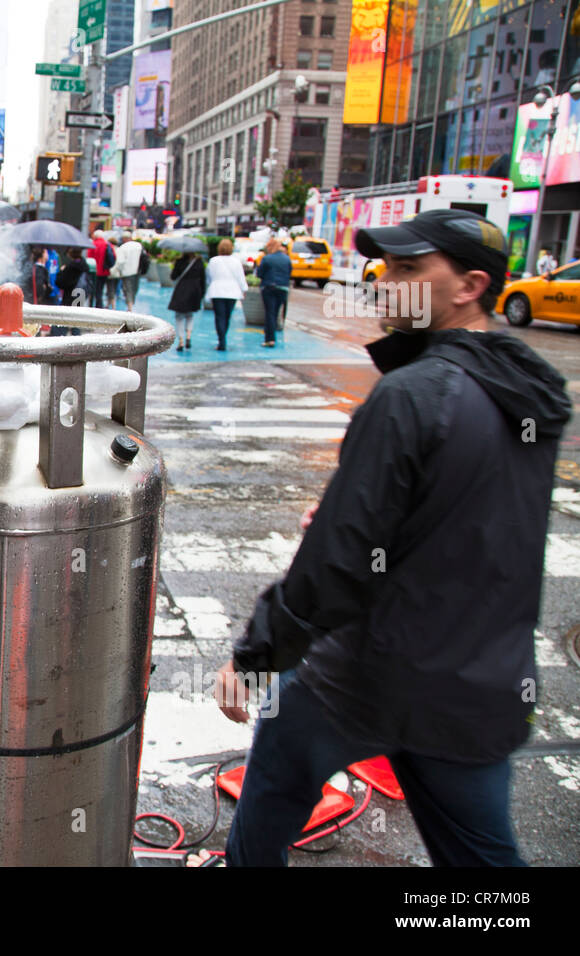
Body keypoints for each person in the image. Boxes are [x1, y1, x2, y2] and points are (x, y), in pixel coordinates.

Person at [215, 208, 572, 867]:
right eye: (386, 267)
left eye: (410, 269)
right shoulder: (530, 392)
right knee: (484, 859)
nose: (386, 282)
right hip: (479, 686)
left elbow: (334, 565)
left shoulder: (412, 394)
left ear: (469, 285)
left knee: (274, 787)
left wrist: (253, 659)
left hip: (368, 676)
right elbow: (476, 520)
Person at [206, 238, 247, 351]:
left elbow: (209, 276)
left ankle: (221, 339)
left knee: (219, 317)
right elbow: (240, 277)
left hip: (217, 291)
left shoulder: (213, 261)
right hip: (232, 292)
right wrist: (244, 289)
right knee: (227, 317)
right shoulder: (236, 261)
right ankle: (223, 338)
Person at [255, 237, 291, 347]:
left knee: (269, 312)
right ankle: (271, 334)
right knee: (275, 312)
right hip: (283, 288)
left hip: (269, 287)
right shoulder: (287, 259)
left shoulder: (267, 259)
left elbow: (259, 274)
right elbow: (289, 272)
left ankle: (270, 338)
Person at [167, 250, 205, 350]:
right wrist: (202, 294)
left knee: (179, 317)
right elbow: (203, 279)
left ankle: (181, 341)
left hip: (182, 290)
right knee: (190, 315)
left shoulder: (180, 261)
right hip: (195, 292)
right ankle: (188, 335)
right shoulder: (199, 262)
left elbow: (173, 276)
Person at [110, 235, 143, 311]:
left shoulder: (123, 248)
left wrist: (116, 271)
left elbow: (120, 262)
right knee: (134, 288)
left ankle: (129, 307)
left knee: (127, 289)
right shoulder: (138, 246)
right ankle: (131, 304)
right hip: (137, 271)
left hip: (126, 272)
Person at [91, 230, 114, 309]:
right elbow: (113, 257)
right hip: (104, 271)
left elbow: (89, 257)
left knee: (94, 289)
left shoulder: (93, 244)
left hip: (94, 271)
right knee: (100, 289)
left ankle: (95, 305)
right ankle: (99, 305)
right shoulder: (108, 245)